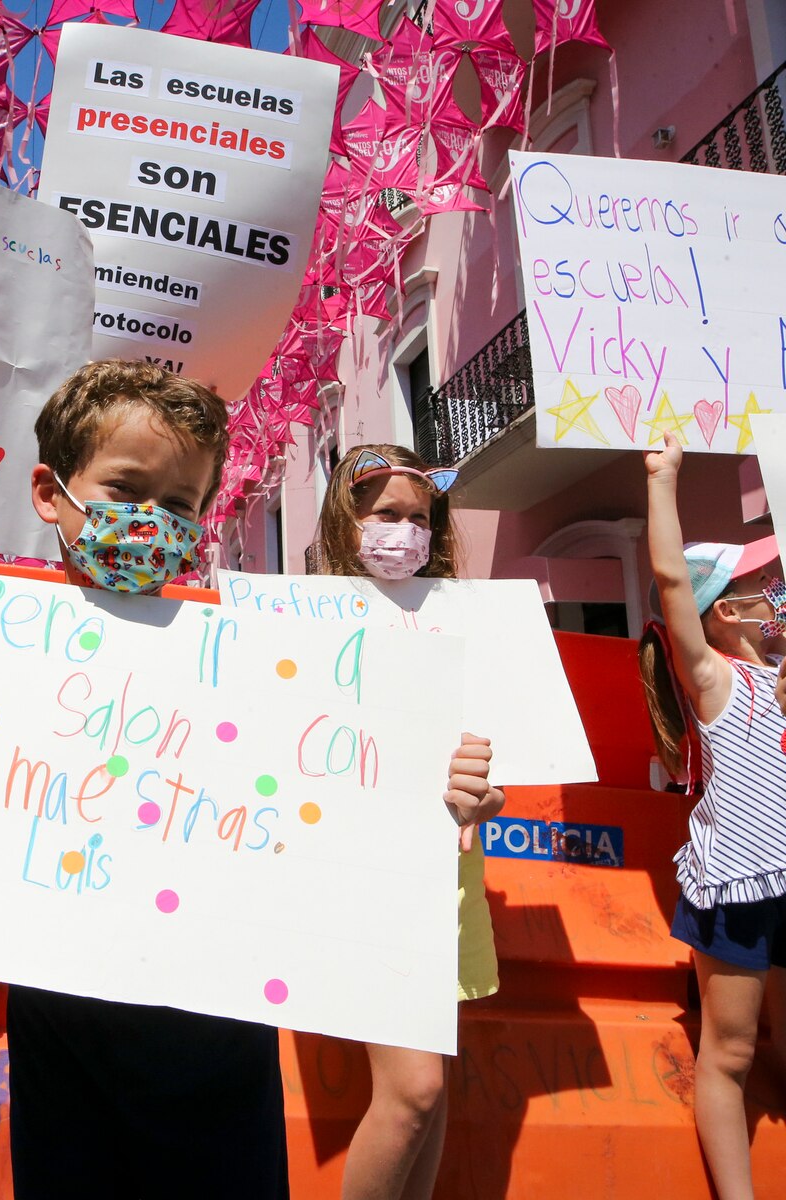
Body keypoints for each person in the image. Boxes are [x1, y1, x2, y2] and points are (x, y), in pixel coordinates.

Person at [0, 363, 505, 1197]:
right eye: (125, 487)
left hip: (217, 1035)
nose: (151, 519)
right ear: (50, 491)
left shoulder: (261, 650)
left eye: (179, 504)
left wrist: (441, 793)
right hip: (59, 1024)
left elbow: (351, 786)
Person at [312, 443, 504, 1200]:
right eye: (386, 514)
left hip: (449, 875)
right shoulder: (303, 621)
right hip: (361, 878)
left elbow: (497, 753)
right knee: (413, 1092)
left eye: (420, 518)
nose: (405, 531)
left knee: (432, 1097)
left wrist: (486, 798)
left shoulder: (463, 623)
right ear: (343, 521)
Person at [638, 432, 786, 1200]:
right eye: (771, 583)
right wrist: (663, 482)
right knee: (728, 1054)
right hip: (737, 887)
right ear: (726, 611)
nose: (782, 591)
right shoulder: (719, 680)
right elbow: (669, 580)